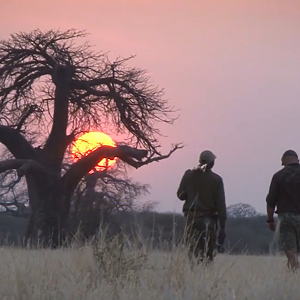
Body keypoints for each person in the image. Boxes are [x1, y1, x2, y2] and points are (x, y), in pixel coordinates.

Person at [176, 150, 227, 263]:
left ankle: (194, 277)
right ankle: (205, 277)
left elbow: (180, 195)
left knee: (193, 254)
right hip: (208, 222)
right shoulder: (216, 179)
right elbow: (221, 205)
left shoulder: (188, 175)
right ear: (211, 163)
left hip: (191, 220)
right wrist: (222, 227)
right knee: (208, 256)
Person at [266, 149, 300, 270]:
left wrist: (270, 220)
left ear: (284, 161)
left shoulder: (279, 176)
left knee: (292, 255)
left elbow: (270, 202)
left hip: (286, 219)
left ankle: (294, 278)